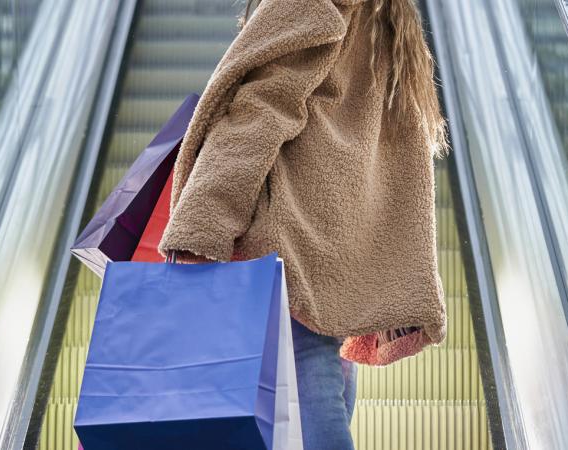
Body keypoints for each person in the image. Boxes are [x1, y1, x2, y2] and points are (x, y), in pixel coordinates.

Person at [156, 0, 448, 447]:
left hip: (294, 230)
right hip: (343, 240)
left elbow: (259, 111)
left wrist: (203, 224)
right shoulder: (389, 20)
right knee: (324, 374)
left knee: (310, 364)